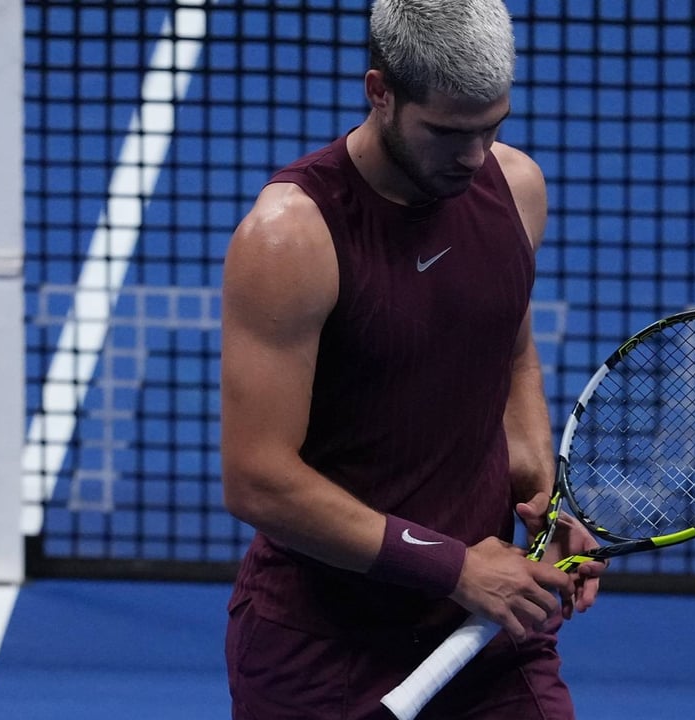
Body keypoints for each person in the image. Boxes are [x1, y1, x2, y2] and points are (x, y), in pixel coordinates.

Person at [220, 1, 605, 717]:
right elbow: (257, 481)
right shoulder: (291, 239)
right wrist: (452, 566)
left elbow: (510, 356)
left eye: (492, 127)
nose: (474, 156)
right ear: (381, 92)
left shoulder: (516, 189)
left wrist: (542, 499)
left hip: (484, 633)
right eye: (448, 132)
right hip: (325, 651)